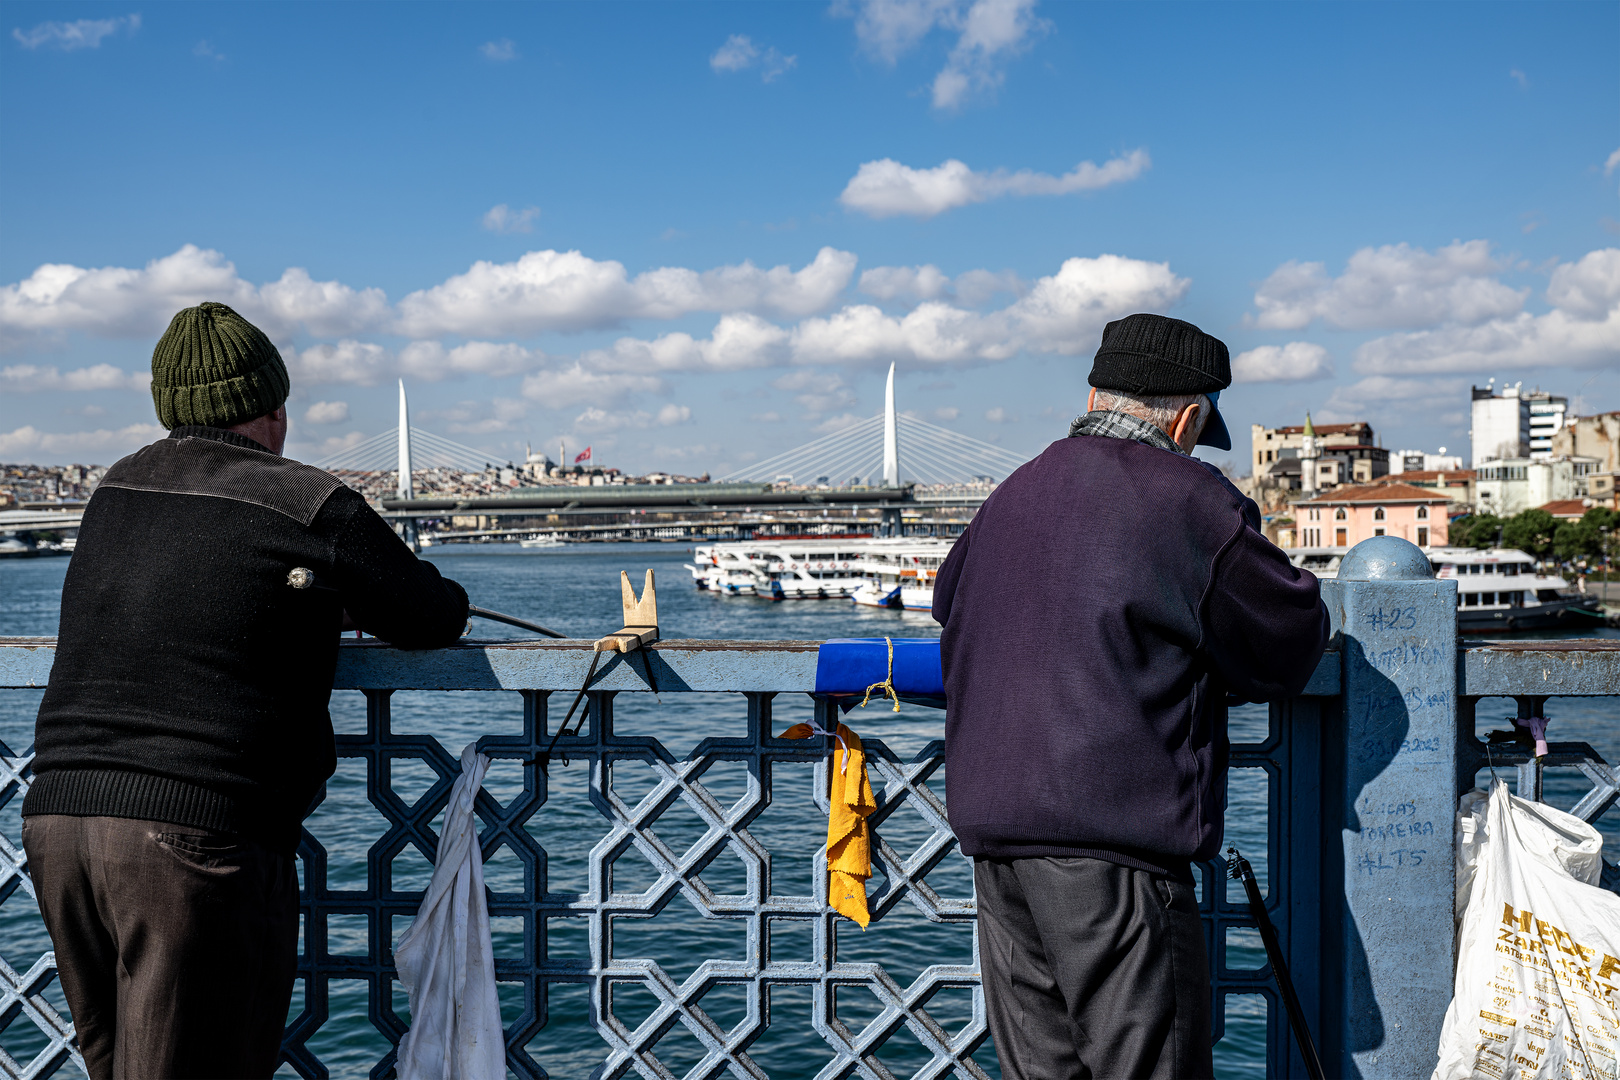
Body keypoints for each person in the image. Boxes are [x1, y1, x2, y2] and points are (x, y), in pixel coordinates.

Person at [22, 302, 470, 1079]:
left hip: (59, 822)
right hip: (192, 838)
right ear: (273, 409)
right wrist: (337, 594)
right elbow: (433, 615)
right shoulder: (305, 502)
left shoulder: (115, 488)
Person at [932, 313, 1330, 1079]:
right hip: (1112, 846)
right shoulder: (1188, 501)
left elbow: (952, 603)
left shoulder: (1015, 489)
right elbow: (1283, 642)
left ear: (1093, 394)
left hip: (995, 839)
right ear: (1188, 417)